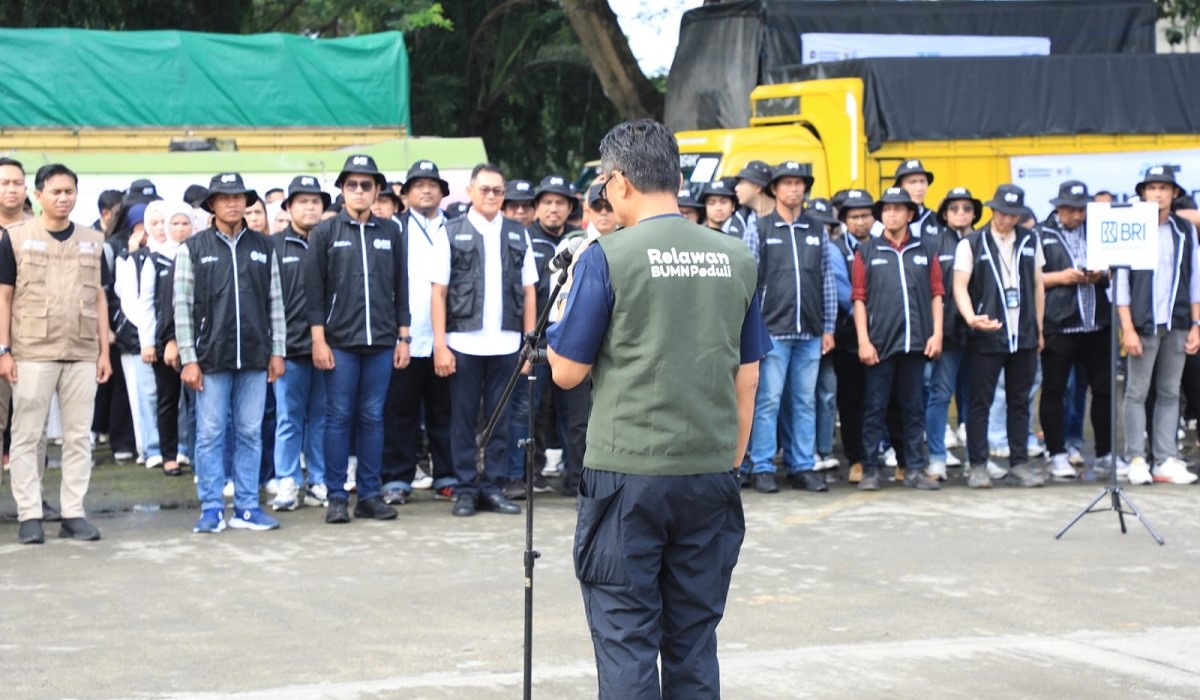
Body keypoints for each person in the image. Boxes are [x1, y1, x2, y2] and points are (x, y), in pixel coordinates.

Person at [546, 118, 769, 699]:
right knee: (693, 641)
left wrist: (556, 318)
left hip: (628, 477)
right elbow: (748, 376)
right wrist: (731, 457)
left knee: (627, 638)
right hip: (710, 470)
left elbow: (566, 372)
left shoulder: (607, 256)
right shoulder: (734, 257)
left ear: (617, 182)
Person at [0, 163, 113, 544]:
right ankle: (30, 514)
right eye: (56, 192)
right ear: (39, 195)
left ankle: (73, 512)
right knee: (27, 436)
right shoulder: (15, 238)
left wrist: (104, 353)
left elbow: (99, 297)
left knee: (79, 437)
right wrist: (4, 350)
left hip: (82, 352)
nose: (63, 198)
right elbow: (4, 297)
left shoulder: (93, 239)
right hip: (33, 351)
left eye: (69, 191)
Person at [174, 172, 286, 533]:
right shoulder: (193, 248)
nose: (233, 203)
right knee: (209, 433)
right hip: (210, 358)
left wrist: (277, 350)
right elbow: (181, 307)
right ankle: (210, 507)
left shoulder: (264, 246)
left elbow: (275, 303)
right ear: (212, 204)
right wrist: (189, 358)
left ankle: (247, 507)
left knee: (251, 432)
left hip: (254, 356)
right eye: (224, 197)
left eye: (239, 197)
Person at [306, 155, 412, 523]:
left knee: (372, 417)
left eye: (367, 185)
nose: (360, 191)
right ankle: (337, 495)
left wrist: (404, 337)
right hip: (339, 341)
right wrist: (318, 340)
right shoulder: (325, 233)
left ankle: (369, 493)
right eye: (352, 185)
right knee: (338, 417)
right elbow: (314, 292)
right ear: (342, 190)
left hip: (383, 341)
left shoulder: (391, 232)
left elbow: (402, 287)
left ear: (377, 190)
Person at [431, 163, 536, 517]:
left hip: (507, 344)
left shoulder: (517, 233)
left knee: (500, 420)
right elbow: (439, 292)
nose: (492, 196)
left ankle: (492, 486)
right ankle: (464, 488)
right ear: (472, 192)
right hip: (463, 343)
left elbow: (529, 290)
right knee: (462, 419)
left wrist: (529, 344)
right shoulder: (451, 231)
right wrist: (441, 344)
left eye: (498, 191)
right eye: (485, 189)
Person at [747, 161, 837, 493]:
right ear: (774, 189)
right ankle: (762, 465)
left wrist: (828, 326)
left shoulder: (816, 229)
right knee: (768, 400)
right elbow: (749, 283)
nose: (794, 189)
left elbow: (827, 278)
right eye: (787, 183)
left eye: (799, 183)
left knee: (804, 400)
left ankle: (802, 464)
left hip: (811, 331)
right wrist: (752, 328)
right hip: (773, 330)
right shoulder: (759, 228)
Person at [953, 184, 1046, 489]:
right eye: (1002, 213)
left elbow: (1038, 286)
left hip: (1025, 336)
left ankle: (1019, 463)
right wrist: (971, 318)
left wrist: (1039, 328)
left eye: (1013, 215)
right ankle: (978, 464)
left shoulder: (1031, 240)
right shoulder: (972, 243)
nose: (1007, 220)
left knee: (1021, 401)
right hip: (988, 333)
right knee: (980, 401)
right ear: (992, 210)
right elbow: (960, 286)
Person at [852, 188, 944, 490]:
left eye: (898, 209)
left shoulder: (925, 249)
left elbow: (936, 294)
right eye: (886, 209)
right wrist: (864, 341)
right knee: (875, 407)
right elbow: (859, 299)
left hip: (916, 344)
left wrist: (937, 333)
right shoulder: (866, 252)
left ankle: (916, 468)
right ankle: (870, 470)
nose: (891, 214)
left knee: (914, 407)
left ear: (909, 213)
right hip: (879, 345)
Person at [1116, 165, 1200, 485]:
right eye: (1151, 188)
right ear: (1142, 194)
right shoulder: (1131, 226)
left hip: (1178, 322)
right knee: (1136, 392)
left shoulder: (1184, 230)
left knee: (1169, 392)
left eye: (1164, 188)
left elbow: (1195, 280)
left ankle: (1165, 459)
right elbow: (1121, 281)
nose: (1158, 193)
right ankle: (1136, 457)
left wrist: (1196, 324)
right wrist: (1127, 328)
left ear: (1175, 194)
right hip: (1142, 324)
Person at [380, 161, 457, 504]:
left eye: (432, 184)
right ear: (406, 194)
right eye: (418, 185)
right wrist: (400, 334)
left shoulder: (454, 228)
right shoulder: (393, 229)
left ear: (442, 192)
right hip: (406, 336)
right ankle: (398, 477)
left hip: (446, 337)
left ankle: (447, 474)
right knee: (401, 411)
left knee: (445, 410)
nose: (425, 190)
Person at [506, 174, 580, 498]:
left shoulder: (580, 241)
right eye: (547, 202)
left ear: (569, 208)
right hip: (537, 337)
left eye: (560, 203)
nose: (553, 209)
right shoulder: (524, 238)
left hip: (572, 337)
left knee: (572, 410)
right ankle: (525, 475)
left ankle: (574, 476)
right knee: (529, 407)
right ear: (537, 208)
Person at [1038, 181, 1113, 480]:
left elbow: (1116, 269)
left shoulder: (1098, 231)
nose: (1077, 216)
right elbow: (1031, 279)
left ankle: (1106, 452)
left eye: (1082, 209)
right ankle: (1056, 453)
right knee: (1055, 390)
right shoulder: (1041, 234)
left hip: (1097, 322)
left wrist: (1101, 274)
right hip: (1060, 323)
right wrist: (1061, 277)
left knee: (1104, 390)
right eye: (1071, 210)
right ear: (1058, 207)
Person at [269, 176, 331, 510]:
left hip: (327, 348)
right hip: (289, 347)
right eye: (302, 201)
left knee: (320, 418)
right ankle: (287, 481)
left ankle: (318, 481)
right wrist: (272, 347)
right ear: (289, 207)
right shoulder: (274, 245)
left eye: (316, 201)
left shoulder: (331, 240)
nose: (310, 207)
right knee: (288, 418)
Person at [924, 187, 981, 479]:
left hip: (979, 333)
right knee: (940, 395)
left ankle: (976, 459)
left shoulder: (983, 242)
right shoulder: (932, 244)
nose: (961, 213)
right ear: (944, 214)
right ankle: (937, 457)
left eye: (967, 208)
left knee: (975, 399)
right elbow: (929, 291)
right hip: (946, 333)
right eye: (954, 208)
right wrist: (933, 331)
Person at [140, 200, 193, 478]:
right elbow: (146, 303)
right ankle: (168, 454)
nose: (180, 229)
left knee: (195, 402)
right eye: (175, 223)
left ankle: (192, 452)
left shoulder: (198, 253)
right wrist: (148, 342)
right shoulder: (155, 258)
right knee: (167, 399)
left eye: (185, 223)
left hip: (195, 342)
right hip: (164, 342)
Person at [830, 189, 874, 484]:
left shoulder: (882, 245)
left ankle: (878, 454)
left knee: (881, 400)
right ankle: (856, 458)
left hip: (883, 337)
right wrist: (875, 312)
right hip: (848, 339)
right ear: (844, 219)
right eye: (854, 217)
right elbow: (845, 294)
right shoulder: (835, 249)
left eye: (866, 216)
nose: (861, 222)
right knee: (852, 401)